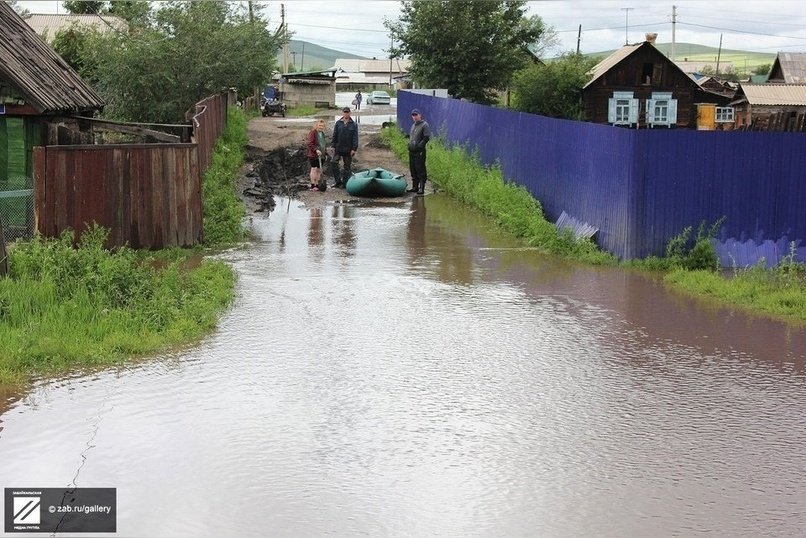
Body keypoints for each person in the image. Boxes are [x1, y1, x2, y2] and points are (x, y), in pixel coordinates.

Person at [331, 107, 358, 188]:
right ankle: (338, 181)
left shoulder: (354, 124)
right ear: (342, 113)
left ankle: (345, 183)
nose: (346, 114)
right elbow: (334, 135)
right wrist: (333, 146)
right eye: (344, 112)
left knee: (347, 166)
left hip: (348, 149)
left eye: (347, 112)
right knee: (334, 163)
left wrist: (354, 149)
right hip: (338, 148)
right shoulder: (338, 123)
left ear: (350, 113)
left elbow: (355, 138)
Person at [407, 108, 431, 195]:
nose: (414, 117)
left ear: (420, 115)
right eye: (413, 115)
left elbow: (426, 137)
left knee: (420, 169)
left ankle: (421, 188)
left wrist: (420, 146)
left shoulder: (424, 125)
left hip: (419, 152)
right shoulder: (413, 125)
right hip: (412, 151)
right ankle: (415, 187)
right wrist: (409, 145)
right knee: (413, 169)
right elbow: (412, 137)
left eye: (416, 115)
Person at [306, 119, 327, 191]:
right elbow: (310, 143)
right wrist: (316, 150)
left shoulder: (322, 134)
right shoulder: (313, 133)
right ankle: (312, 185)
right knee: (314, 169)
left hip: (322, 155)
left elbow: (323, 144)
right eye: (320, 125)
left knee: (318, 170)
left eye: (322, 126)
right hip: (313, 155)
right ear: (316, 125)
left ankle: (317, 184)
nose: (321, 127)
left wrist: (325, 153)